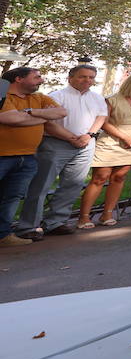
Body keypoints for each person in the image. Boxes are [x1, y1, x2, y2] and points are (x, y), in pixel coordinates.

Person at [16, 63, 108, 239]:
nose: (87, 80)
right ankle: (28, 226)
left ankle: (56, 222)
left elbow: (101, 116)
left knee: (72, 185)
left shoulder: (97, 98)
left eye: (91, 77)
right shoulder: (56, 96)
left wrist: (89, 135)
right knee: (41, 185)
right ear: (71, 78)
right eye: (82, 76)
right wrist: (71, 138)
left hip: (85, 145)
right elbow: (48, 123)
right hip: (55, 144)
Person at [0, 68, 67, 248]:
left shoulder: (39, 98)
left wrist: (29, 112)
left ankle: (3, 235)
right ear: (19, 79)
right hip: (2, 156)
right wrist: (42, 117)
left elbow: (61, 112)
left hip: (27, 157)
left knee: (12, 197)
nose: (41, 80)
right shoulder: (3, 95)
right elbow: (10, 118)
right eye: (36, 77)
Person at [80, 72, 131, 228]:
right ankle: (84, 216)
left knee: (120, 177)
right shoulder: (111, 100)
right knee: (100, 177)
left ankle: (107, 214)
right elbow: (104, 123)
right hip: (111, 140)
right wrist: (125, 138)